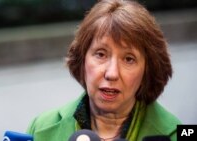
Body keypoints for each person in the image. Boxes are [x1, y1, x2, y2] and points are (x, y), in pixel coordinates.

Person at [26, 0, 181, 141]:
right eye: (101, 54)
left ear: (147, 70)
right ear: (82, 60)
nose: (111, 73)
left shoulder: (176, 134)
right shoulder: (41, 129)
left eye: (129, 59)